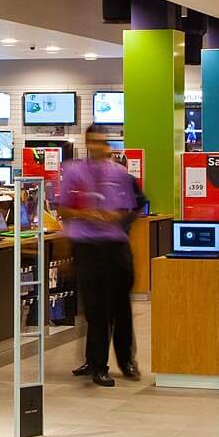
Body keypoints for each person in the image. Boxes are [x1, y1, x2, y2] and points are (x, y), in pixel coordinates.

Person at [56, 133, 136, 387]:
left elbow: (129, 209)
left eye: (101, 142)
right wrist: (84, 214)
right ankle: (97, 365)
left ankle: (127, 361)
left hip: (115, 248)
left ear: (107, 146)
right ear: (87, 144)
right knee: (95, 310)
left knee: (121, 309)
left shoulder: (120, 174)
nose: (96, 147)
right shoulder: (73, 172)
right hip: (87, 248)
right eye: (92, 141)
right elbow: (62, 209)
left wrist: (114, 216)